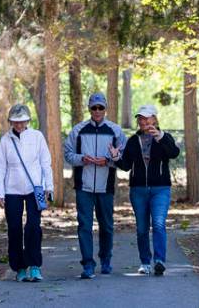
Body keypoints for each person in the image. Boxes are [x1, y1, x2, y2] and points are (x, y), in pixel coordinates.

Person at [109, 104, 180, 276]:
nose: (143, 121)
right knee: (141, 228)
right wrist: (116, 156)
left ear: (154, 119)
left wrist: (161, 137)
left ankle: (159, 261)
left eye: (147, 118)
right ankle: (145, 262)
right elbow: (126, 166)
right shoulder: (133, 141)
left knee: (158, 223)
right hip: (138, 190)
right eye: (140, 118)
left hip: (160, 189)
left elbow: (174, 153)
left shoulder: (165, 137)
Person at [63, 92, 126, 279]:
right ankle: (88, 264)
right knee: (84, 225)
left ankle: (106, 259)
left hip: (105, 187)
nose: (97, 111)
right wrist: (83, 159)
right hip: (84, 186)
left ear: (106, 109)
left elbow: (123, 159)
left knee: (106, 226)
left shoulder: (115, 131)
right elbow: (68, 154)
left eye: (101, 107)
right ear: (89, 109)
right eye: (94, 108)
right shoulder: (78, 130)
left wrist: (107, 161)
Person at [0, 104, 54, 283]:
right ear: (11, 122)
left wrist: (48, 187)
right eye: (15, 122)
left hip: (34, 188)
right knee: (14, 229)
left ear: (28, 120)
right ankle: (19, 267)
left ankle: (34, 266)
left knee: (33, 227)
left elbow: (46, 162)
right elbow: (0, 167)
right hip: (12, 190)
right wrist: (0, 193)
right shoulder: (6, 140)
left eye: (22, 121)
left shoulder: (37, 137)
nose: (19, 125)